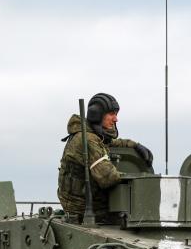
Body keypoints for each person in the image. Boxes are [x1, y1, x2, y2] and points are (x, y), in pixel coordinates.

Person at [57, 92, 153, 220]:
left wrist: (134, 145)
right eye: (111, 114)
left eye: (116, 114)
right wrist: (143, 180)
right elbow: (108, 177)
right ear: (96, 115)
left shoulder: (93, 136)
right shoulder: (86, 139)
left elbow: (111, 143)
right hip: (82, 209)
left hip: (91, 205)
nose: (116, 119)